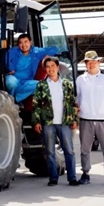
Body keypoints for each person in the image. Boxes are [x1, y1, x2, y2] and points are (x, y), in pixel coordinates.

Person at [32, 57, 79, 187]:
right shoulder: (41, 85)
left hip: (64, 123)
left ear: (58, 67)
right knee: (49, 152)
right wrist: (36, 122)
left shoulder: (66, 84)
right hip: (48, 123)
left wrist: (74, 120)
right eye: (47, 67)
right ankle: (53, 177)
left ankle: (72, 177)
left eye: (53, 66)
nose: (50, 69)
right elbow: (36, 105)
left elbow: (72, 103)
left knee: (69, 150)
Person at [76, 50, 104, 186]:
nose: (91, 64)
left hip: (102, 119)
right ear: (85, 64)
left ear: (99, 62)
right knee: (84, 149)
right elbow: (78, 97)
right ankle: (85, 173)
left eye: (94, 62)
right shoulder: (80, 80)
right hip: (85, 119)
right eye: (88, 62)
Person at [5, 34, 59, 103]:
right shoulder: (13, 51)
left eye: (25, 42)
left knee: (41, 85)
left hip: (27, 82)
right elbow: (7, 62)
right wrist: (10, 69)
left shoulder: (36, 52)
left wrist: (47, 56)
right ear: (18, 44)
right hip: (14, 78)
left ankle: (14, 99)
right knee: (10, 81)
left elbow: (54, 49)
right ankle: (16, 98)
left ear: (30, 42)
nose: (23, 45)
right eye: (21, 42)